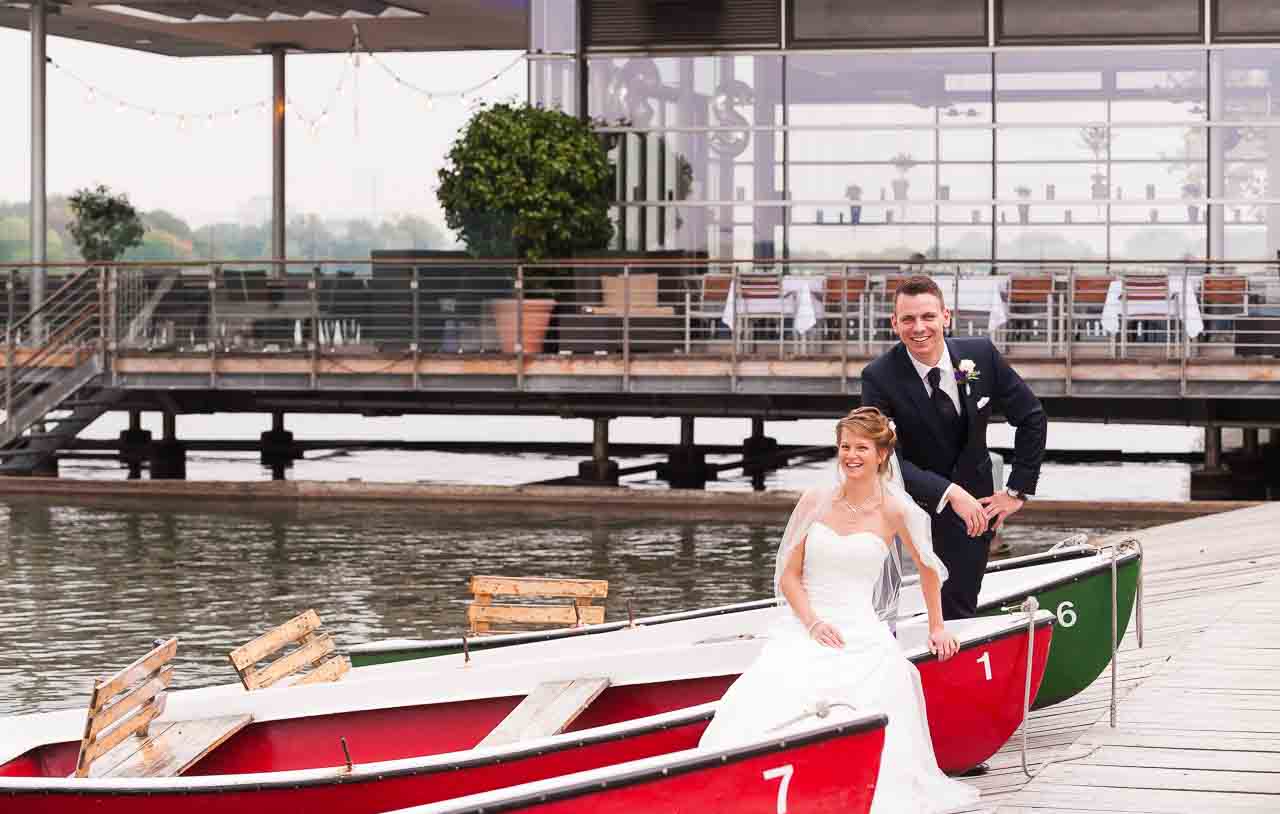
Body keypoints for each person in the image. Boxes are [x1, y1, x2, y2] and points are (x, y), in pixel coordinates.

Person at [699, 408, 980, 814]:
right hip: (808, 624)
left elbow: (929, 568)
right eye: (845, 446)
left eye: (861, 448)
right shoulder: (815, 500)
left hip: (862, 631)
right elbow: (789, 577)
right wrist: (812, 622)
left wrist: (938, 627)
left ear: (882, 454)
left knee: (882, 684)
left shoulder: (897, 511)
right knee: (771, 688)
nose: (850, 455)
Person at [861, 275, 1047, 621]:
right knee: (882, 608)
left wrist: (1017, 490)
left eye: (928, 317)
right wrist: (949, 492)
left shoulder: (979, 358)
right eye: (908, 319)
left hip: (975, 510)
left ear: (946, 316)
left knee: (959, 610)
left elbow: (1032, 417)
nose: (919, 328)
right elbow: (883, 460)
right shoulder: (879, 377)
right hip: (909, 503)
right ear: (894, 323)